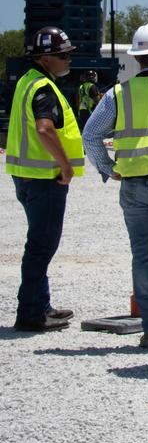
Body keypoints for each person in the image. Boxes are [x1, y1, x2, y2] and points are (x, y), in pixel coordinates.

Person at [82, 23, 148, 351]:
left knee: (143, 258)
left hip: (131, 186)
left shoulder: (118, 93)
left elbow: (91, 135)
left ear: (136, 58)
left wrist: (108, 168)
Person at [6, 27, 83, 331]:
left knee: (38, 243)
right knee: (41, 246)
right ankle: (31, 313)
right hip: (44, 179)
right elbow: (44, 128)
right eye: (63, 55)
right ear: (46, 58)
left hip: (26, 176)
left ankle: (41, 305)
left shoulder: (27, 81)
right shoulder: (43, 88)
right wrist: (64, 165)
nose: (68, 60)